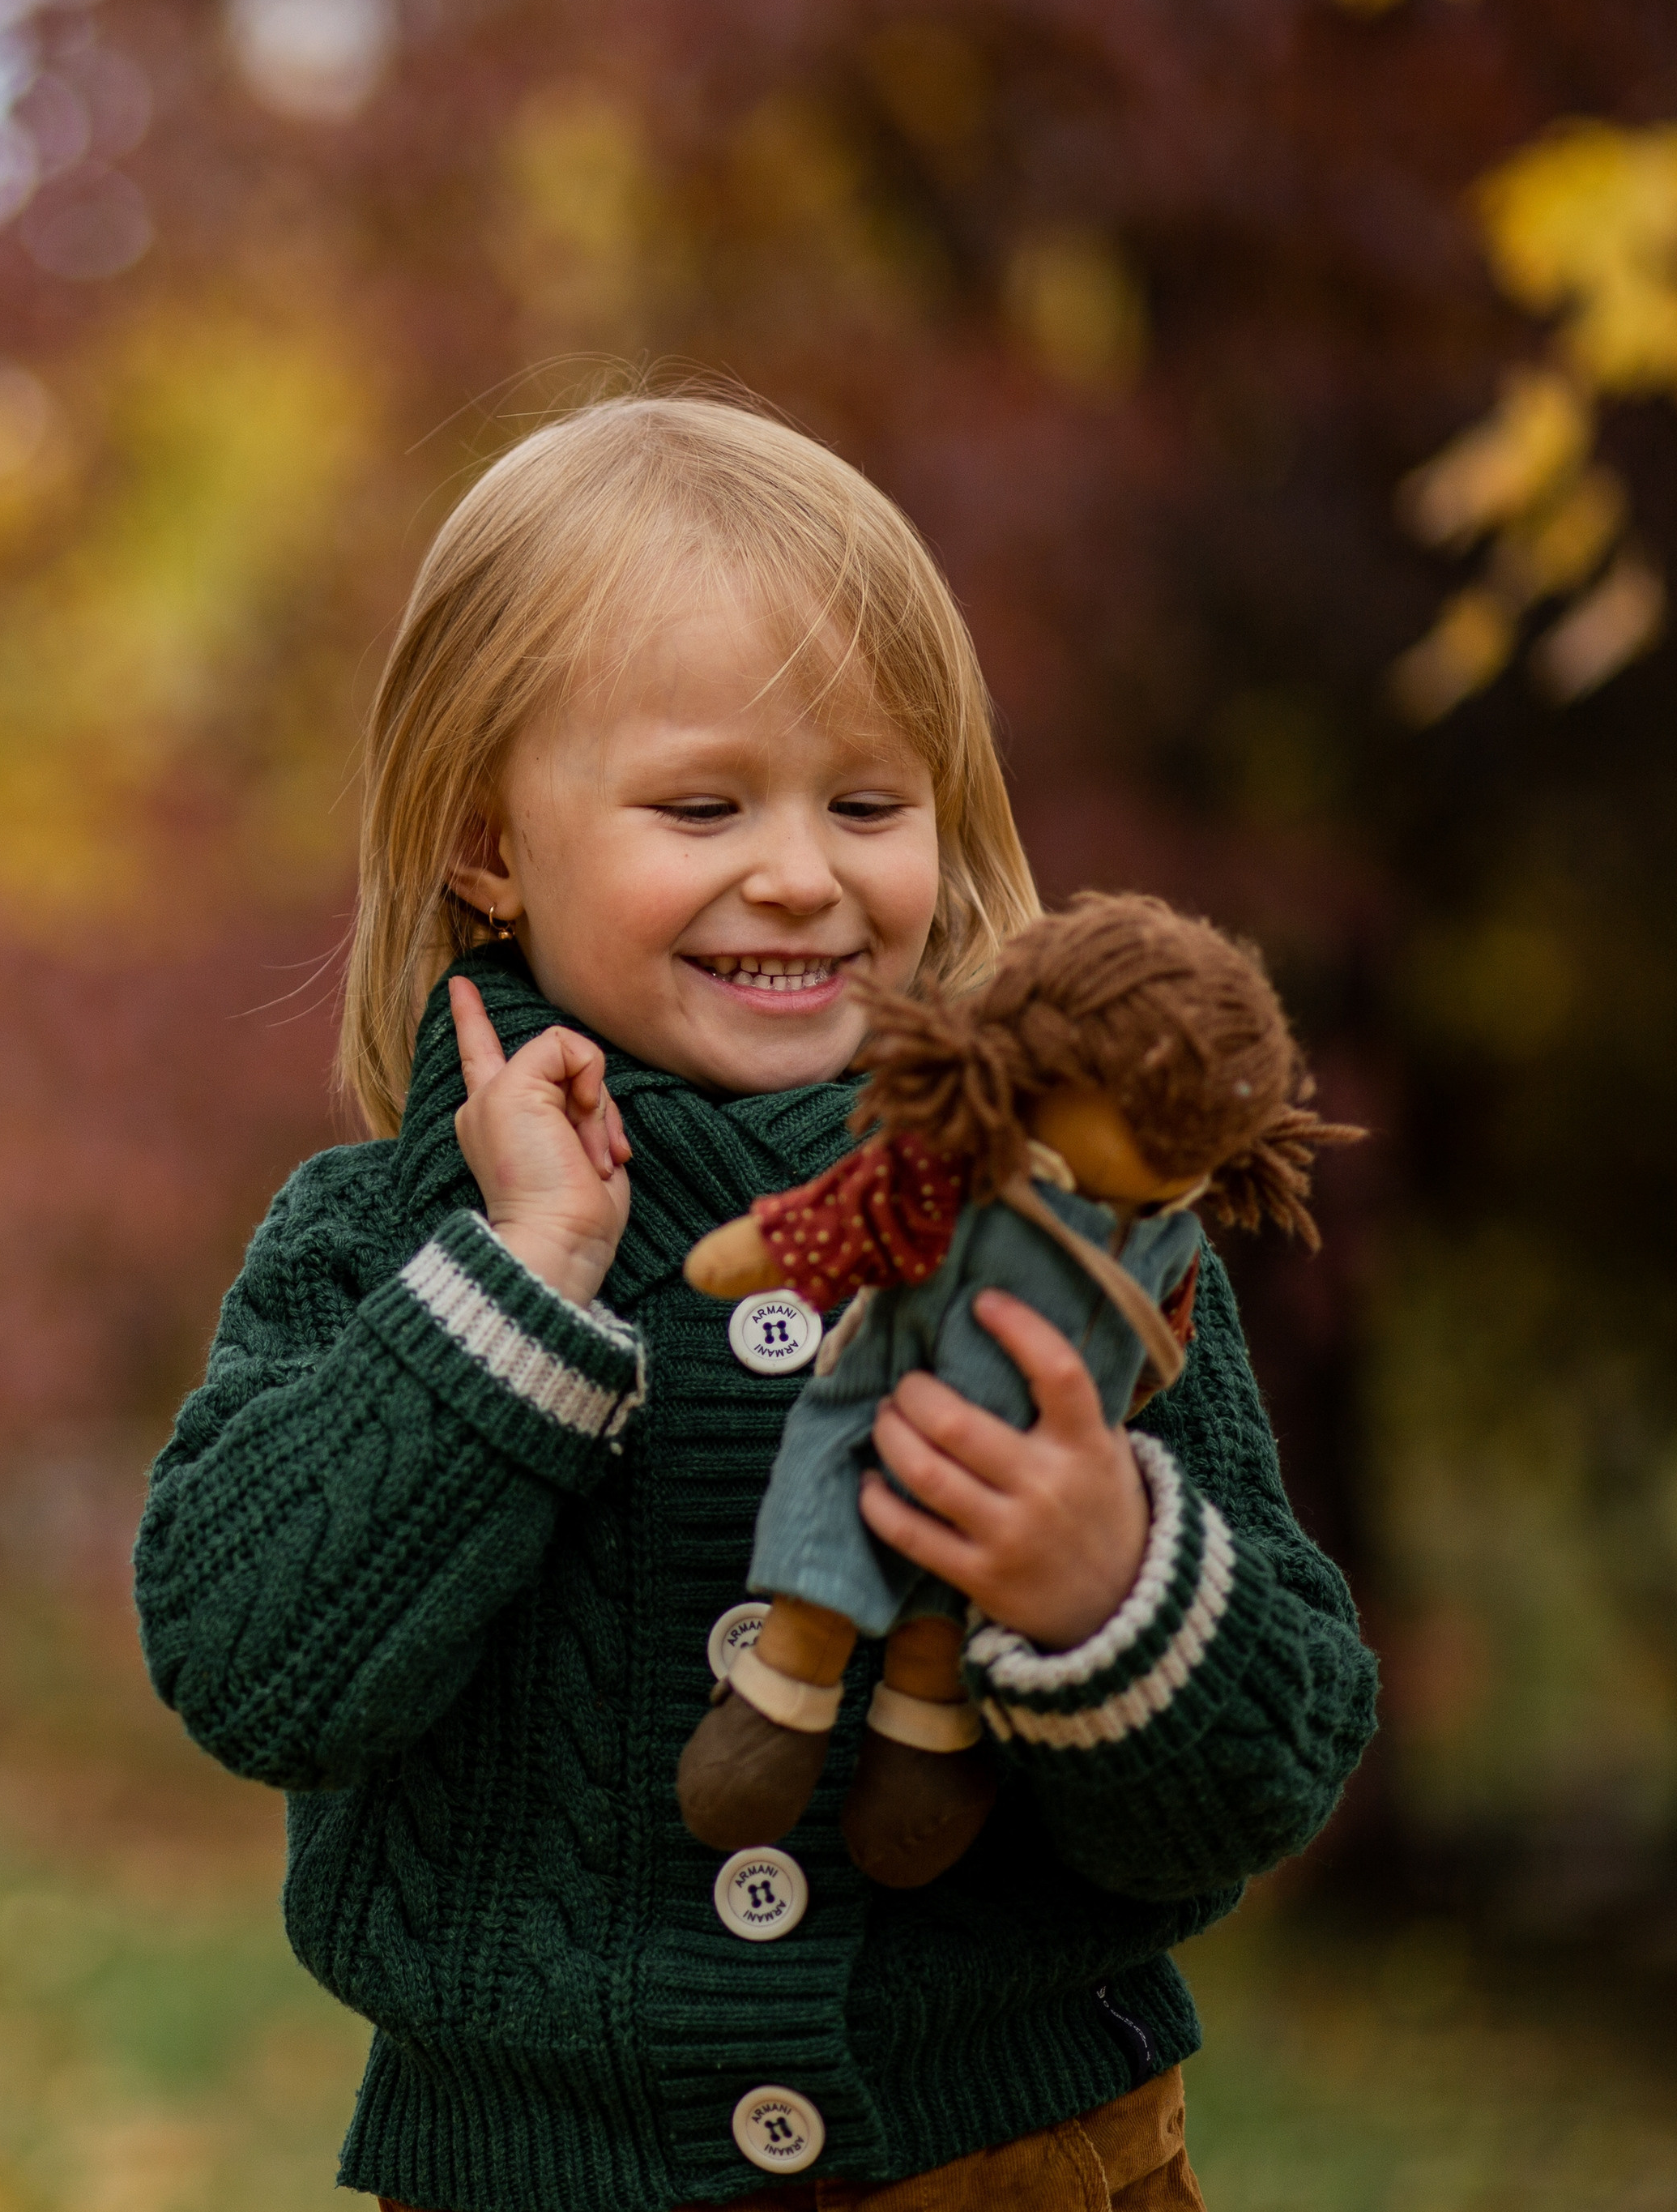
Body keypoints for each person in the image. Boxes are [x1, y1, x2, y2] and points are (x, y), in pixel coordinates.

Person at [133, 394, 1377, 2212]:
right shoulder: (390, 1240)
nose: (800, 870)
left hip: (1021, 2158)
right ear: (489, 844)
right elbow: (250, 1666)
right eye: (703, 803)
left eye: (868, 802)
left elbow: (1270, 1771)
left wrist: (1109, 1586)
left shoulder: (1076, 1240)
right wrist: (521, 1284)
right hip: (530, 2182)